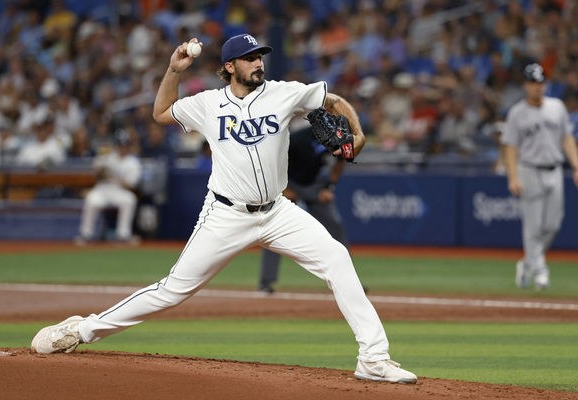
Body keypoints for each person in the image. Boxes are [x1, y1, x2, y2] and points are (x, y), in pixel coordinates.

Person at [31, 34, 417, 384]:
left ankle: (373, 358)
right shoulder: (208, 104)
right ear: (230, 66)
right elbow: (161, 113)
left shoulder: (284, 93)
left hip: (278, 212)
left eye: (260, 56)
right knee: (172, 291)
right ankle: (81, 330)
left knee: (336, 257)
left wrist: (359, 132)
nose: (258, 63)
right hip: (226, 215)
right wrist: (172, 70)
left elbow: (332, 100)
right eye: (249, 58)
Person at [502, 63, 578, 290]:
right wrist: (513, 176)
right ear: (526, 85)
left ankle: (528, 262)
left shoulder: (557, 107)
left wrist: (576, 165)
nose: (538, 87)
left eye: (541, 82)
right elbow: (511, 147)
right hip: (529, 169)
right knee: (533, 227)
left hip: (554, 169)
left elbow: (567, 138)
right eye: (534, 83)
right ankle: (540, 271)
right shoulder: (517, 112)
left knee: (553, 224)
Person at [258, 123, 347, 293]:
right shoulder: (297, 138)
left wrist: (329, 187)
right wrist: (283, 189)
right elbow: (272, 162)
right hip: (288, 182)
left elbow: (341, 161)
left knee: (335, 225)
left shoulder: (338, 138)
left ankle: (346, 282)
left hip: (314, 185)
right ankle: (266, 282)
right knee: (274, 229)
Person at [75, 129, 142, 244]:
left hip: (119, 191)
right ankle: (86, 235)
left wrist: (115, 178)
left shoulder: (133, 162)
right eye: (120, 144)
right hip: (103, 189)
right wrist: (102, 169)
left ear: (128, 146)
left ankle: (123, 235)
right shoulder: (108, 156)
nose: (122, 147)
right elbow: (96, 172)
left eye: (125, 145)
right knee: (91, 199)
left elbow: (131, 185)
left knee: (129, 200)